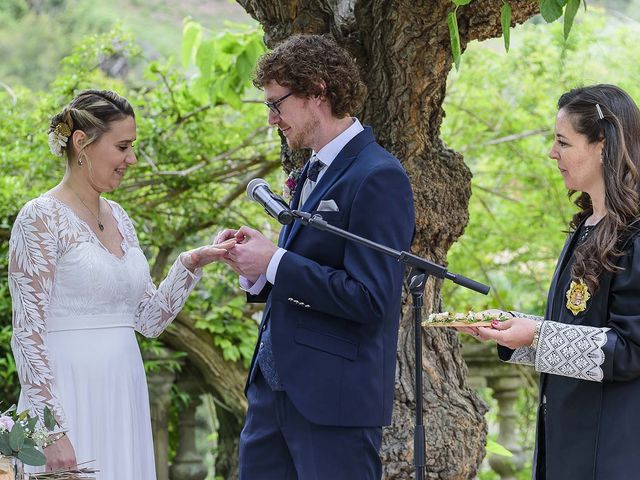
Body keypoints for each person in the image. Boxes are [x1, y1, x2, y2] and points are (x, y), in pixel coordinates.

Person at [216, 34, 415, 479]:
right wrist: (255, 269)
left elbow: (371, 298)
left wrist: (274, 262)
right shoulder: (309, 170)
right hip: (272, 394)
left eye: (277, 104)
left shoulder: (378, 175)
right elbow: (307, 269)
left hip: (333, 401)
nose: (272, 120)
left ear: (317, 91)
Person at [8, 90, 233, 479]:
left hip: (123, 393)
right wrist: (50, 430)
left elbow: (148, 320)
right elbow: (27, 333)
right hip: (69, 397)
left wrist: (190, 264)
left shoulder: (120, 217)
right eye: (123, 146)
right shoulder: (39, 218)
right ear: (82, 144)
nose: (131, 159)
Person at [458, 84, 640, 480]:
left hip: (611, 454)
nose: (551, 153)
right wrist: (510, 331)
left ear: (603, 146)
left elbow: (630, 350)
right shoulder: (586, 226)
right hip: (564, 445)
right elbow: (575, 333)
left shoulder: (636, 237)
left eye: (562, 142)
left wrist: (536, 334)